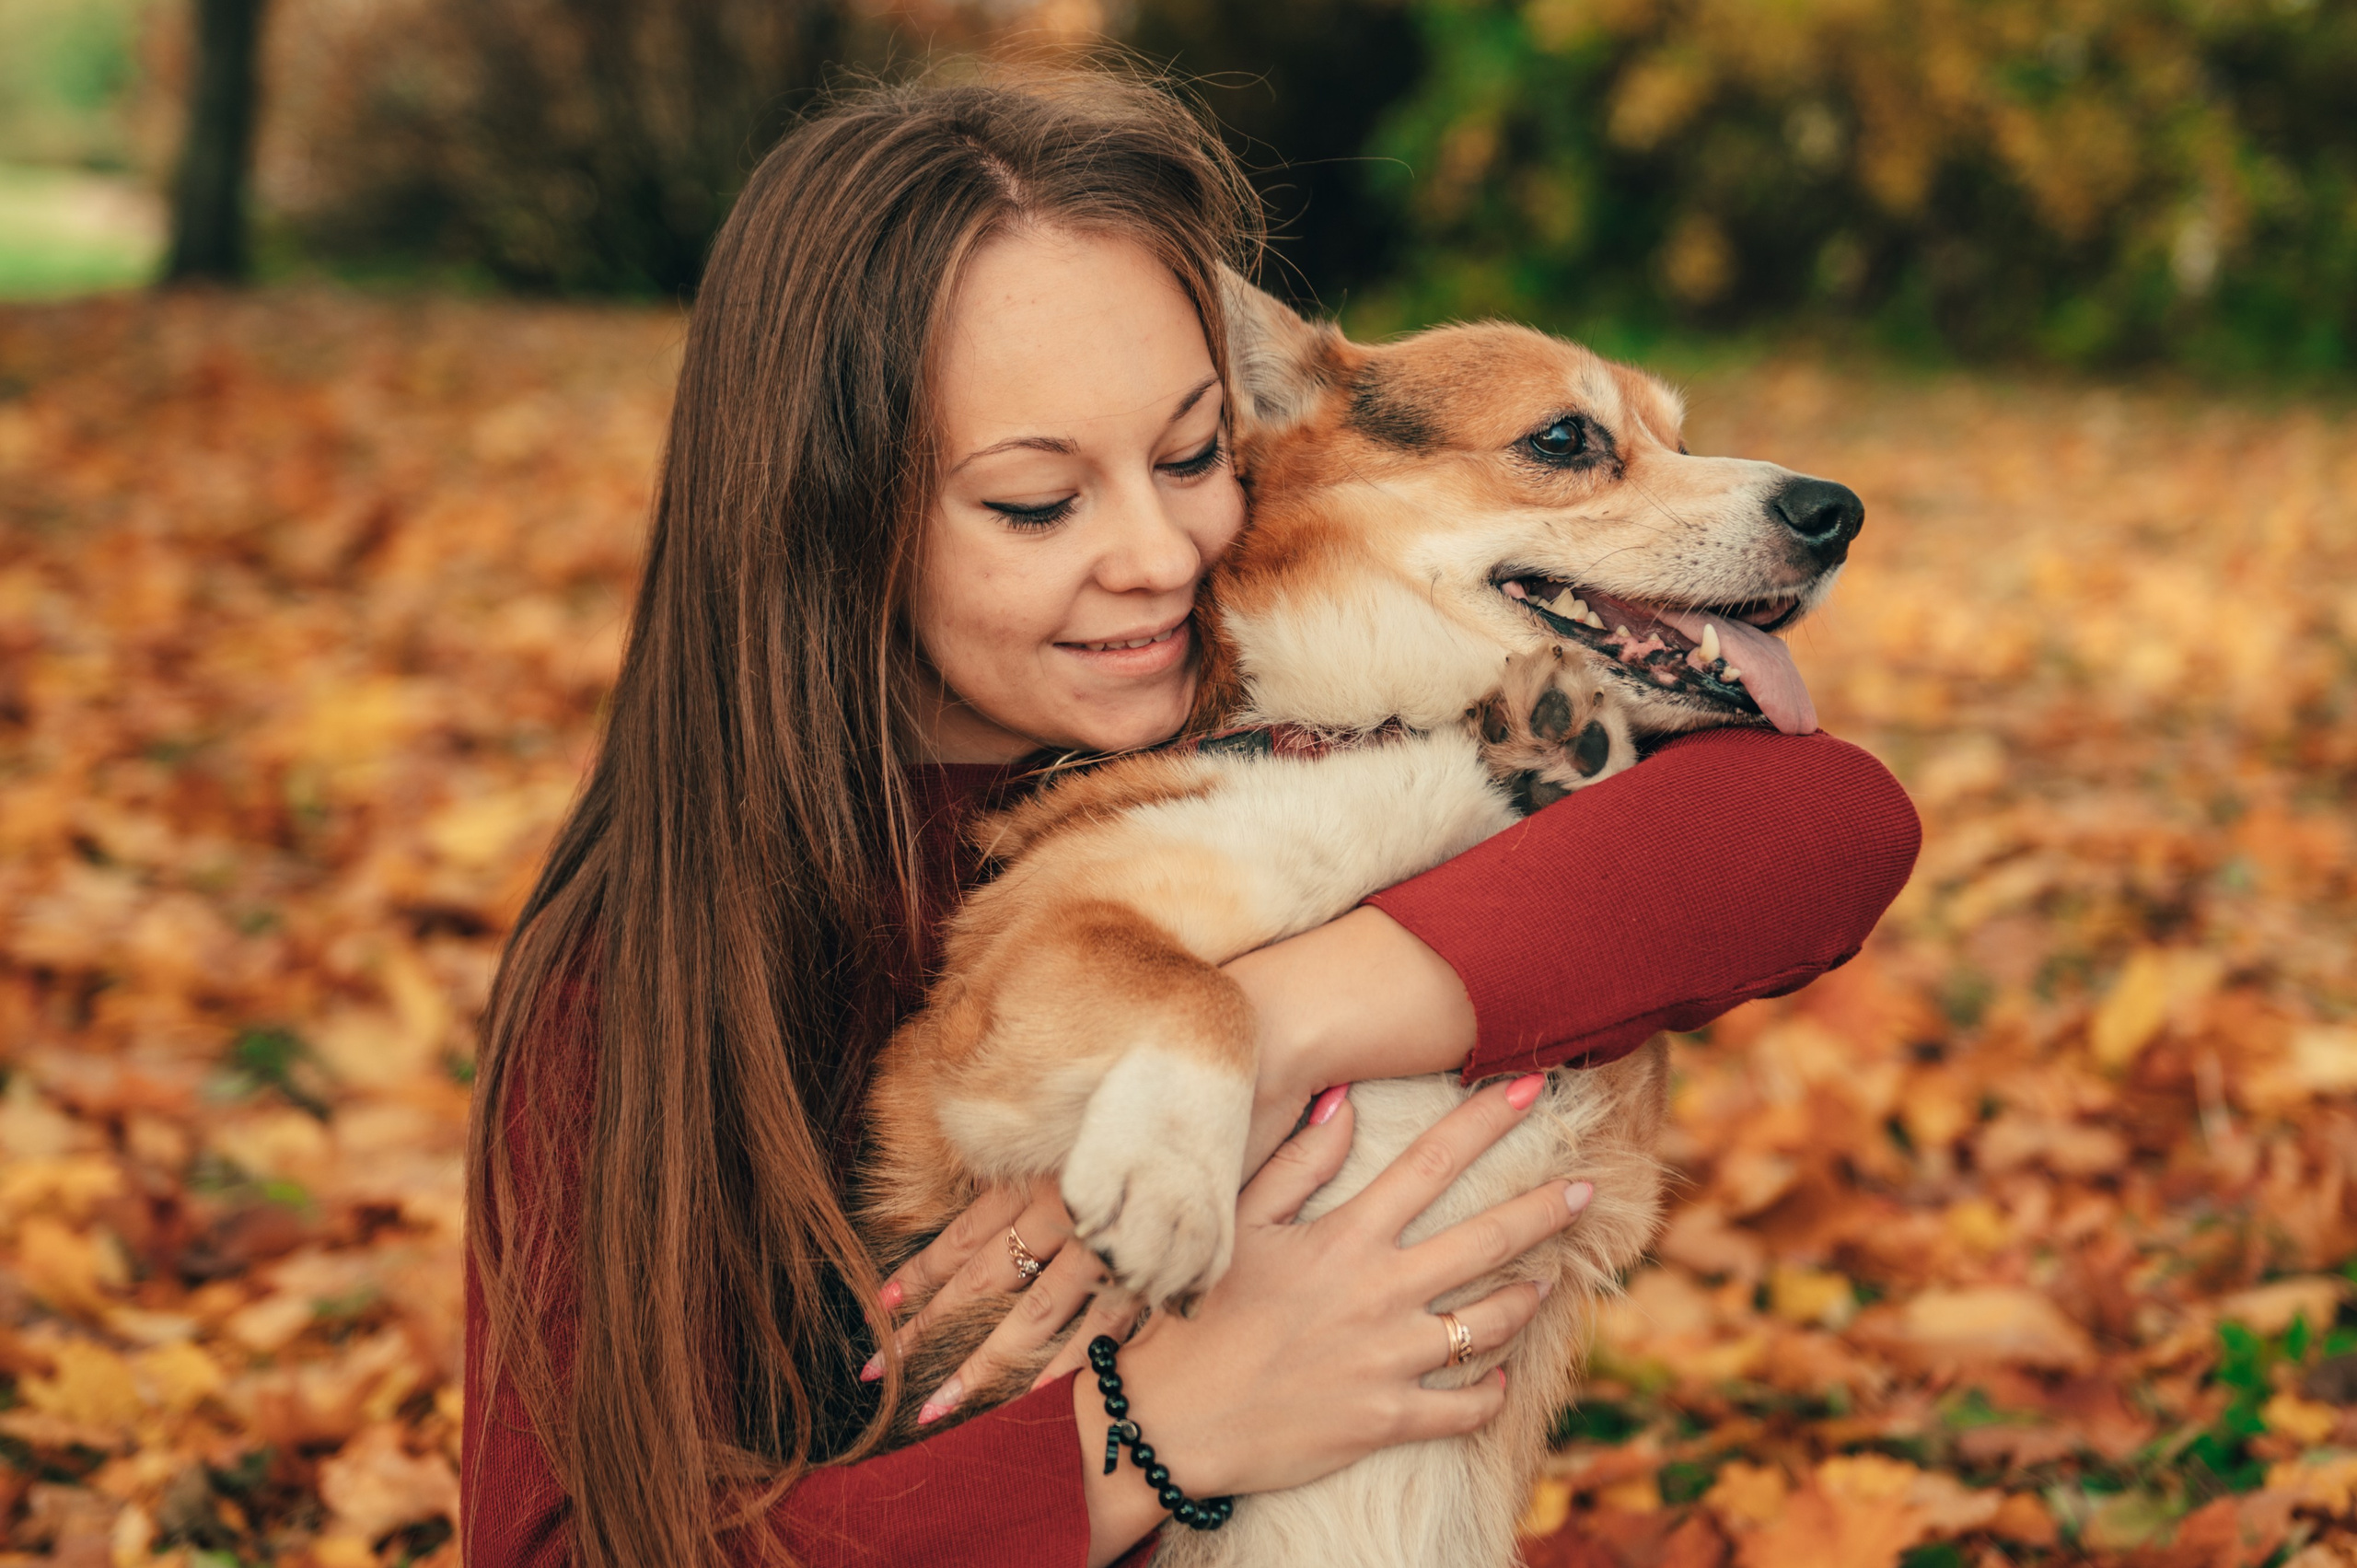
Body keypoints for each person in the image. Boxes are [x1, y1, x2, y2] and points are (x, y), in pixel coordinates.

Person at [461, 67, 1921, 1568]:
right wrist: (1158, 1432)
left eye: (1189, 457)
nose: (1161, 556)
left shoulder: (1327, 742)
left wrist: (1272, 1020)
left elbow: (1826, 826)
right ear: (833, 520)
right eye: (1037, 502)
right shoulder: (637, 974)